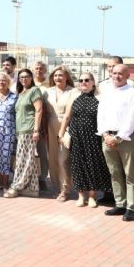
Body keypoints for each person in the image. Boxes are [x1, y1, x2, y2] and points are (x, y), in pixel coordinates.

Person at [58, 72, 112, 208]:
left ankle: (92, 196)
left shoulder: (100, 98)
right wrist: (61, 133)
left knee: (93, 166)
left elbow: (106, 118)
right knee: (77, 166)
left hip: (94, 137)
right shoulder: (74, 97)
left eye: (87, 80)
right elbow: (67, 117)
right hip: (76, 137)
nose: (83, 82)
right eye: (81, 80)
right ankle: (81, 196)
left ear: (93, 82)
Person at [97, 64, 134, 222]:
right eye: (114, 73)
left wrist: (118, 137)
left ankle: (131, 207)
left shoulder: (133, 93)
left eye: (120, 73)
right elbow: (100, 115)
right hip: (107, 138)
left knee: (130, 174)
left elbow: (132, 118)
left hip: (125, 139)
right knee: (114, 173)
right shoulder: (107, 93)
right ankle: (120, 203)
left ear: (127, 75)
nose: (117, 76)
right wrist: (105, 134)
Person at [44, 65, 79, 201]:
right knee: (52, 158)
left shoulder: (73, 91)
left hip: (67, 126)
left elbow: (71, 112)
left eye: (61, 75)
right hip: (50, 126)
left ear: (67, 77)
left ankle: (65, 189)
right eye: (55, 75)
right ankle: (56, 188)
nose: (58, 78)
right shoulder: (48, 92)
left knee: (62, 158)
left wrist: (63, 130)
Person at [5, 69, 42, 198]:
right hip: (20, 130)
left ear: (31, 78)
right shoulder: (21, 92)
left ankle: (17, 186)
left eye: (26, 77)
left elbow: (39, 110)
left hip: (29, 129)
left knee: (22, 160)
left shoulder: (34, 91)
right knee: (29, 159)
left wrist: (36, 130)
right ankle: (32, 189)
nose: (24, 79)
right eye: (21, 77)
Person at [33, 61, 50, 191]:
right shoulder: (28, 83)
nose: (38, 71)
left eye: (41, 69)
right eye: (36, 68)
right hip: (29, 123)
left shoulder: (50, 85)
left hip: (44, 124)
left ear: (45, 70)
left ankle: (43, 178)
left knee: (43, 153)